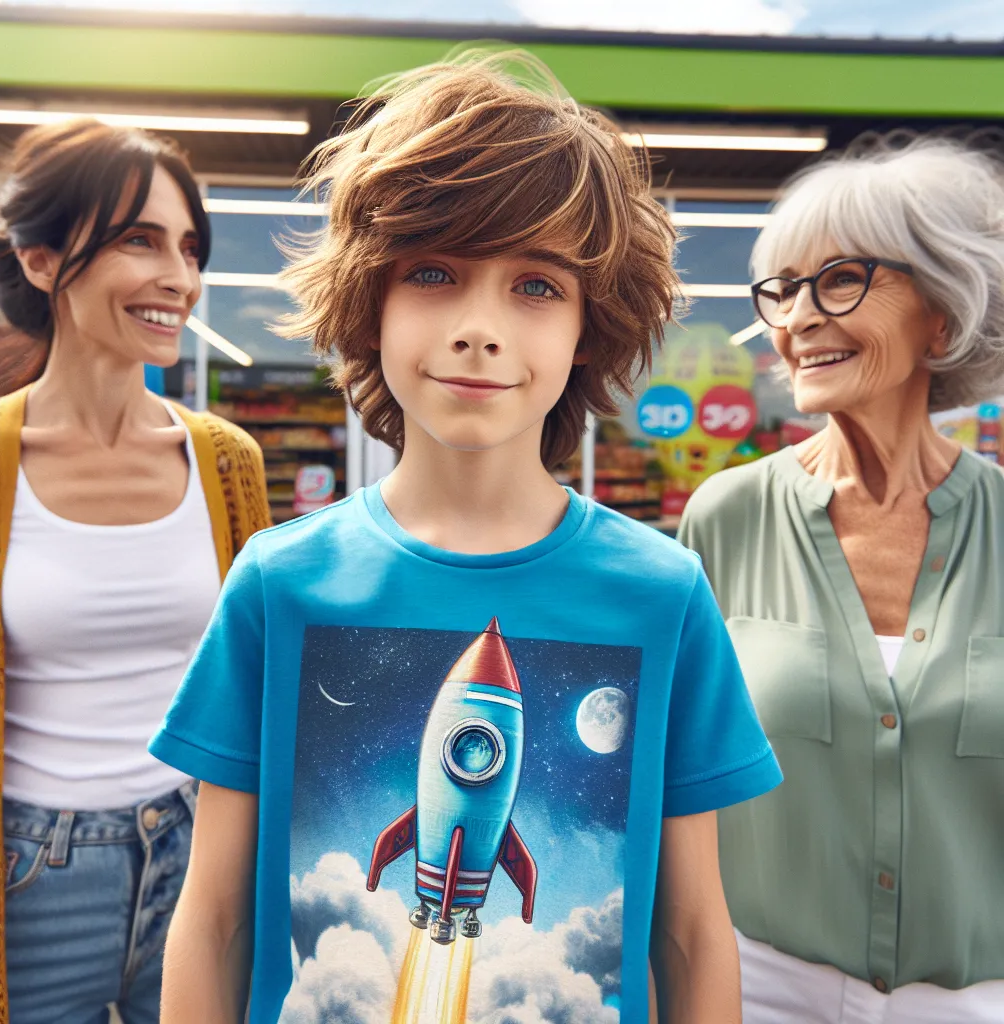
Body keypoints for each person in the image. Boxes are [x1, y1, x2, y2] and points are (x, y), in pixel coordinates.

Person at [151, 50, 782, 1024]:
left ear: (589, 325)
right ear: (372, 300)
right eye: (434, 272)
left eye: (536, 285)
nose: (479, 327)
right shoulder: (278, 581)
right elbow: (216, 914)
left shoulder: (662, 594)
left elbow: (694, 933)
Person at [679, 137, 1004, 1024]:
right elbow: (686, 777)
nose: (797, 319)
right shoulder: (725, 517)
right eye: (782, 290)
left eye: (842, 280)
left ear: (942, 316)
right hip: (758, 990)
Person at [0, 119, 272, 1024]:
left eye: (189, 247)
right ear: (40, 261)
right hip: (28, 873)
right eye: (140, 241)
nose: (179, 278)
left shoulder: (229, 462)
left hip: (199, 853)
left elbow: (255, 684)